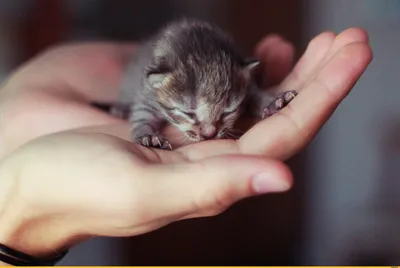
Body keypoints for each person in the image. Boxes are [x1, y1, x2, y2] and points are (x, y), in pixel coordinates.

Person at [0, 27, 372, 265]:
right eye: (191, 116)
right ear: (160, 83)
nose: (209, 131)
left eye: (224, 112)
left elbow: (249, 90)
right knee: (140, 105)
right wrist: (142, 128)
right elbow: (145, 110)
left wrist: (263, 102)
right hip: (146, 79)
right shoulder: (158, 78)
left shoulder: (235, 72)